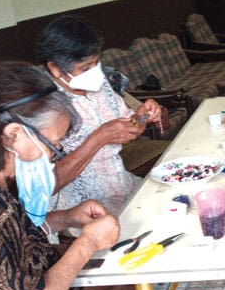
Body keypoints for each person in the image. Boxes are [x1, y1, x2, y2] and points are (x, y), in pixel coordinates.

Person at [0, 61, 140, 290]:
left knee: (122, 269)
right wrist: (89, 243)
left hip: (37, 274)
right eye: (54, 145)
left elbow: (10, 238)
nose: (53, 155)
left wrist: (66, 218)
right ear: (13, 134)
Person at [36, 15, 162, 216]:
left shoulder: (100, 85)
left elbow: (130, 126)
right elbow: (42, 188)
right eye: (85, 68)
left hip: (121, 189)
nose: (95, 72)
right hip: (79, 212)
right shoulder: (40, 106)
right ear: (55, 68)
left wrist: (142, 116)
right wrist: (99, 137)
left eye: (96, 63)